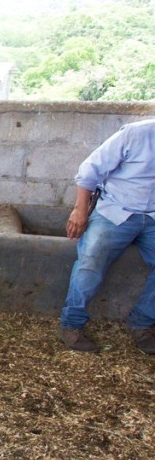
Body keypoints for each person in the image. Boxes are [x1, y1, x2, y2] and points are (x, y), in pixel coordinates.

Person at [59, 117, 155, 353]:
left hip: (152, 216)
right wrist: (79, 210)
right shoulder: (137, 134)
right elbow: (90, 170)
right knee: (91, 260)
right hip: (116, 210)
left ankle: (142, 322)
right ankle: (71, 324)